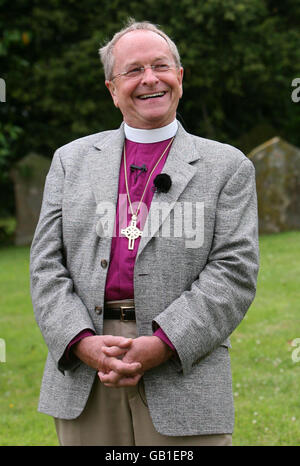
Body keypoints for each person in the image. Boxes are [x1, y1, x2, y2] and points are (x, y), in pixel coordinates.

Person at [30, 19, 259, 446]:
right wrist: (79, 340)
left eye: (161, 66)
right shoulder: (69, 161)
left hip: (182, 365)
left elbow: (234, 272)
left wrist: (164, 342)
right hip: (87, 366)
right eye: (133, 70)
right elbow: (45, 266)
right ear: (112, 89)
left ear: (180, 77)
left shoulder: (227, 167)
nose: (150, 79)